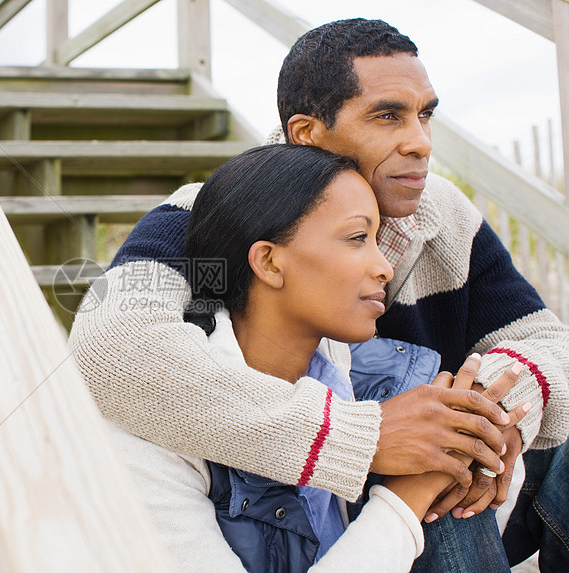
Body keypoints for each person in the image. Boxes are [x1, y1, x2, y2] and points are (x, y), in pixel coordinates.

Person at [68, 18, 569, 570]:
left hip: (446, 483)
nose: (421, 142)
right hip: (313, 497)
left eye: (425, 114)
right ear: (306, 134)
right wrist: (363, 440)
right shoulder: (222, 222)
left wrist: (484, 418)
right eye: (388, 116)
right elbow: (115, 350)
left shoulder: (441, 215)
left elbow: (543, 339)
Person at [108, 143, 531, 573]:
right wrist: (406, 499)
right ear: (269, 262)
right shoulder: (146, 437)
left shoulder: (385, 375)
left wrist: (483, 435)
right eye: (356, 238)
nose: (384, 267)